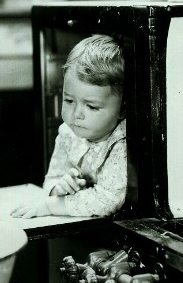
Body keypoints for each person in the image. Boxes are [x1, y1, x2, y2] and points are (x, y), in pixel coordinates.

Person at [12, 34, 127, 218]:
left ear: (122, 109)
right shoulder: (68, 132)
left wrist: (51, 206)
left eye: (91, 106)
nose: (76, 114)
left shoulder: (122, 144)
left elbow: (108, 200)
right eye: (69, 100)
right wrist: (59, 188)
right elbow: (51, 179)